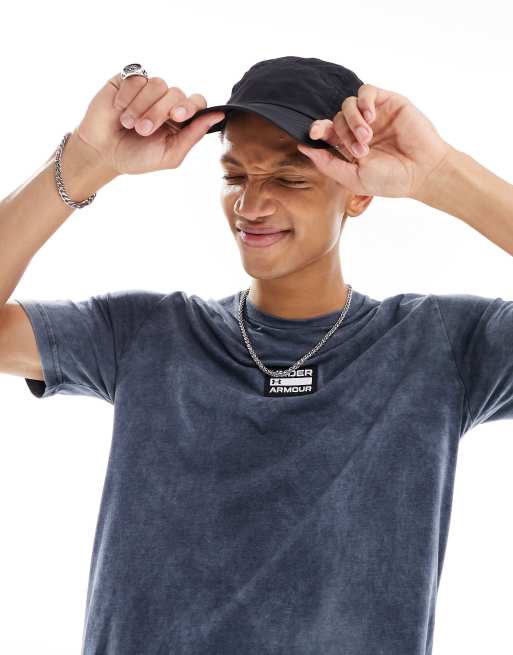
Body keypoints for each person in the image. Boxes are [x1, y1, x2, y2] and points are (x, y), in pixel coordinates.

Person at [1, 56, 512, 655]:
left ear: (358, 194)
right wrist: (85, 162)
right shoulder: (149, 334)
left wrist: (442, 173)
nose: (250, 205)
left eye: (289, 179)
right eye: (236, 175)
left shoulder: (438, 347)